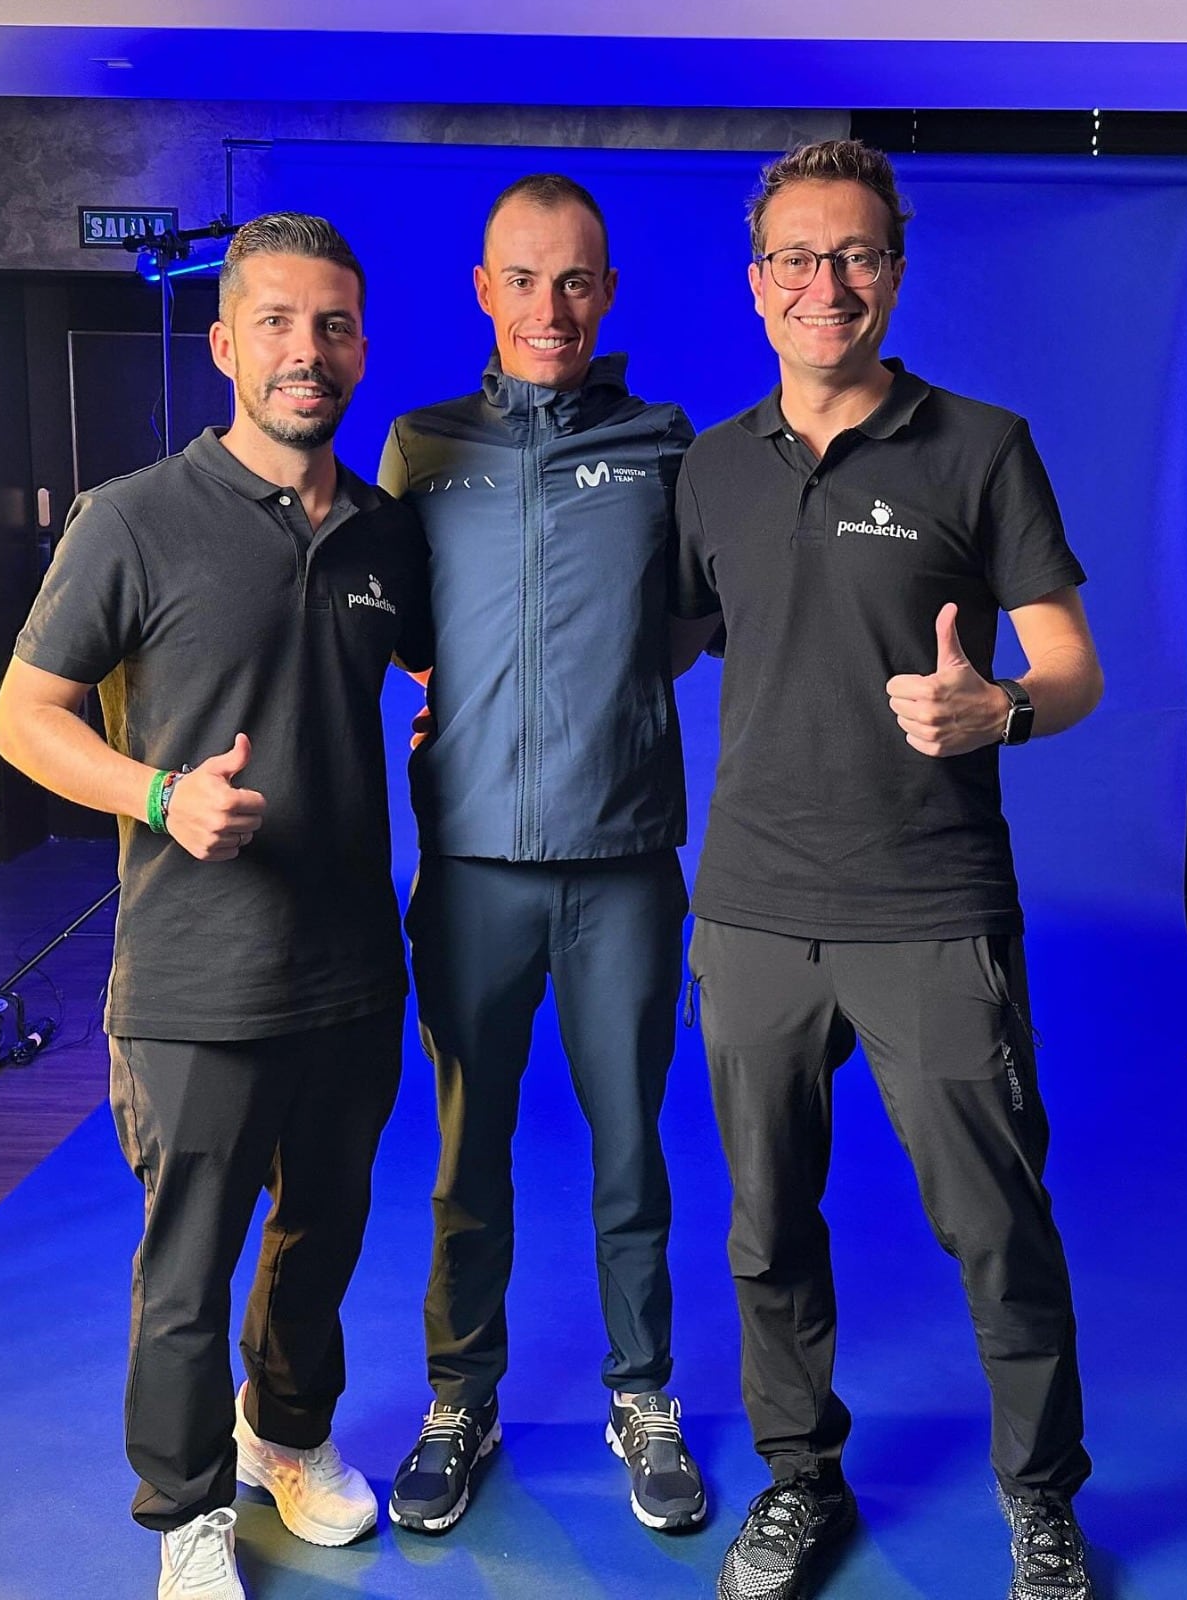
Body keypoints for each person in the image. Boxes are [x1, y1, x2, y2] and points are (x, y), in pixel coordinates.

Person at [673, 140, 1103, 1600]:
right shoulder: (713, 470)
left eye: (854, 255)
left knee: (996, 1226)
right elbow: (664, 639)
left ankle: (1042, 1501)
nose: (825, 284)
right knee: (765, 1228)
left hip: (930, 908)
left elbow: (1073, 665)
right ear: (757, 283)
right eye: (796, 257)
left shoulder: (980, 445)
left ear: (895, 272)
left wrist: (1005, 708)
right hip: (748, 913)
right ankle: (802, 1482)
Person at [0, 213, 432, 1600]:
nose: (310, 351)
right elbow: (23, 717)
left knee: (324, 1236)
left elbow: (428, 675)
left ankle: (282, 1436)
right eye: (282, 324)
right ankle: (185, 1506)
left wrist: (445, 726)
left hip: (354, 964)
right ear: (227, 341)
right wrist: (157, 792)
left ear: (360, 345)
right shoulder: (133, 518)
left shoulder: (381, 534)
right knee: (188, 1266)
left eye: (336, 325)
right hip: (195, 975)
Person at [377, 173, 707, 1536]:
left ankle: (645, 1397)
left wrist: (600, 705)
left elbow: (692, 621)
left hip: (622, 863)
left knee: (631, 1149)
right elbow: (397, 631)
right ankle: (462, 1398)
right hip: (469, 872)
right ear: (483, 290)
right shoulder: (421, 444)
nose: (550, 307)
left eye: (576, 281)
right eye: (524, 279)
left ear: (608, 293)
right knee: (470, 1150)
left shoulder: (665, 443)